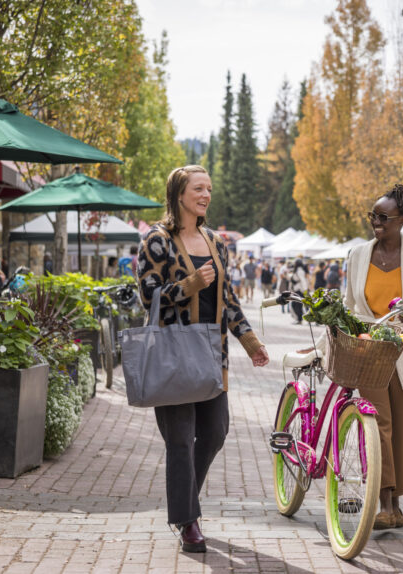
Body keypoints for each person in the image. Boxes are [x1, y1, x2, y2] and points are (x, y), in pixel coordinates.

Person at [136, 165, 269, 553]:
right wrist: (190, 284)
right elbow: (148, 297)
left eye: (209, 188)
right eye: (198, 188)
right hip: (173, 356)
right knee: (179, 440)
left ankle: (184, 502)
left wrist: (251, 342)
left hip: (212, 355)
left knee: (214, 432)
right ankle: (188, 521)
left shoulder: (215, 242)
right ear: (179, 193)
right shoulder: (157, 241)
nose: (205, 195)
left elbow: (228, 299)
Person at [339, 183, 403, 530]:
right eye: (373, 216)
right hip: (369, 348)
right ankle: (384, 503)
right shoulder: (358, 255)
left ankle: (396, 507)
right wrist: (329, 343)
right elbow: (348, 306)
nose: (376, 222)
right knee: (378, 422)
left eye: (383, 217)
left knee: (400, 429)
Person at [289, 258, 309, 324]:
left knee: (297, 305)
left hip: (299, 290)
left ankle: (299, 319)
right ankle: (298, 319)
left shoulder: (300, 271)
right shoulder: (297, 270)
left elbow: (303, 280)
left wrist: (305, 290)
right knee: (296, 305)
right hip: (297, 290)